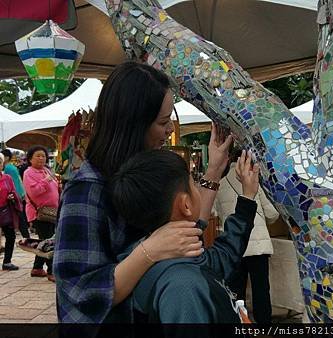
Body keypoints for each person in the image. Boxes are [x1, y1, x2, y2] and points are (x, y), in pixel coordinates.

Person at [53, 61, 232, 323]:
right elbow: (80, 291)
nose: (170, 128)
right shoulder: (87, 190)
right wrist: (148, 252)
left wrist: (214, 170)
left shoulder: (145, 168)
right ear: (134, 123)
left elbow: (187, 227)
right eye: (162, 121)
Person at [111, 149, 259, 325]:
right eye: (193, 184)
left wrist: (247, 198)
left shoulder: (157, 255)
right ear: (186, 205)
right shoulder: (183, 287)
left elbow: (219, 260)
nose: (198, 189)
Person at [214, 147, 279, 323]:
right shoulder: (254, 182)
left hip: (235, 244)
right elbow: (272, 213)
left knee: (237, 290)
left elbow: (218, 214)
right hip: (258, 246)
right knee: (261, 290)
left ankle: (240, 323)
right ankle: (264, 327)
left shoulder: (220, 185)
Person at [23, 146, 59, 282]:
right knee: (48, 242)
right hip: (39, 213)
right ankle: (51, 271)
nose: (41, 158)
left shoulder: (46, 170)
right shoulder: (28, 173)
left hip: (52, 212)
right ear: (30, 159)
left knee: (45, 240)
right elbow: (34, 192)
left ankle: (37, 268)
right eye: (37, 156)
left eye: (43, 156)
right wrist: (47, 180)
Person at [1, 149, 30, 239]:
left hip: (13, 196)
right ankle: (27, 237)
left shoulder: (8, 169)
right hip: (18, 194)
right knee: (21, 218)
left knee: (20, 219)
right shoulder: (12, 167)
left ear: (6, 158)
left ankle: (26, 237)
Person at [0, 153, 22, 270]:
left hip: (5, 211)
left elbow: (13, 191)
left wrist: (12, 196)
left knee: (11, 236)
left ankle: (7, 261)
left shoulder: (7, 178)